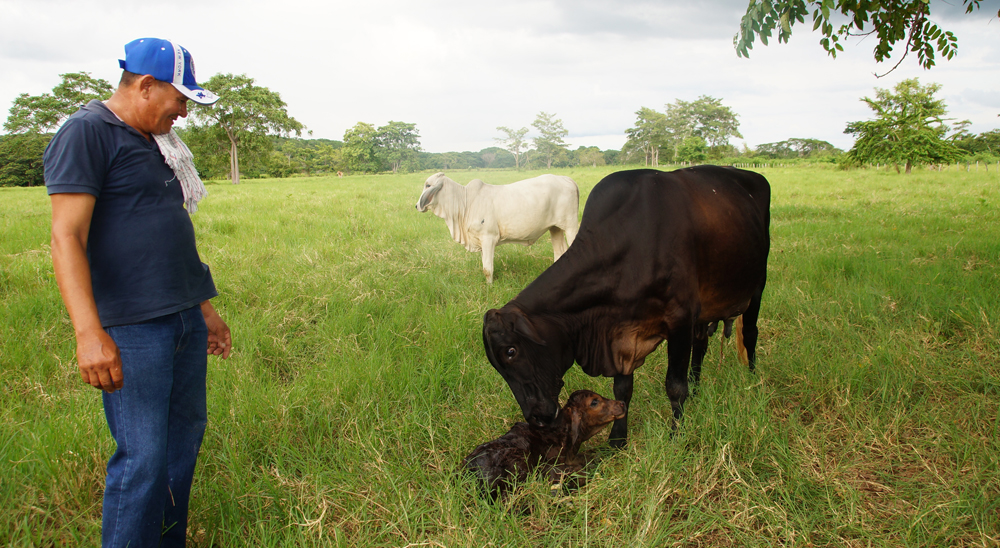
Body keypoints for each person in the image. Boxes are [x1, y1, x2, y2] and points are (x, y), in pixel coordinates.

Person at [44, 38, 231, 547]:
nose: (184, 112)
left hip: (183, 320)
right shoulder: (86, 134)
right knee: (144, 458)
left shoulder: (155, 139)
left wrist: (205, 310)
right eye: (180, 98)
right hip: (134, 328)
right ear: (146, 86)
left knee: (181, 444)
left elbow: (168, 233)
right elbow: (66, 237)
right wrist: (88, 333)